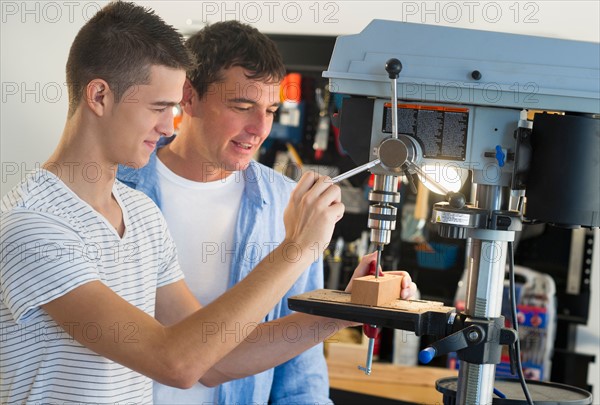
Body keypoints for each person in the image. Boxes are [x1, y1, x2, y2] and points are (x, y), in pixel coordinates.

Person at [0, 3, 416, 403]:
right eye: (159, 107)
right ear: (99, 96)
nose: (168, 124)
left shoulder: (140, 215)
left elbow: (213, 360)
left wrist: (345, 308)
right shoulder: (33, 229)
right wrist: (296, 249)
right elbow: (175, 363)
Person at [116, 19, 417, 404]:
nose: (260, 128)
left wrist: (346, 305)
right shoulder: (118, 191)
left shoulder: (286, 202)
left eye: (271, 109)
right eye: (242, 106)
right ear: (188, 97)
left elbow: (300, 372)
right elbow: (201, 362)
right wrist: (335, 302)